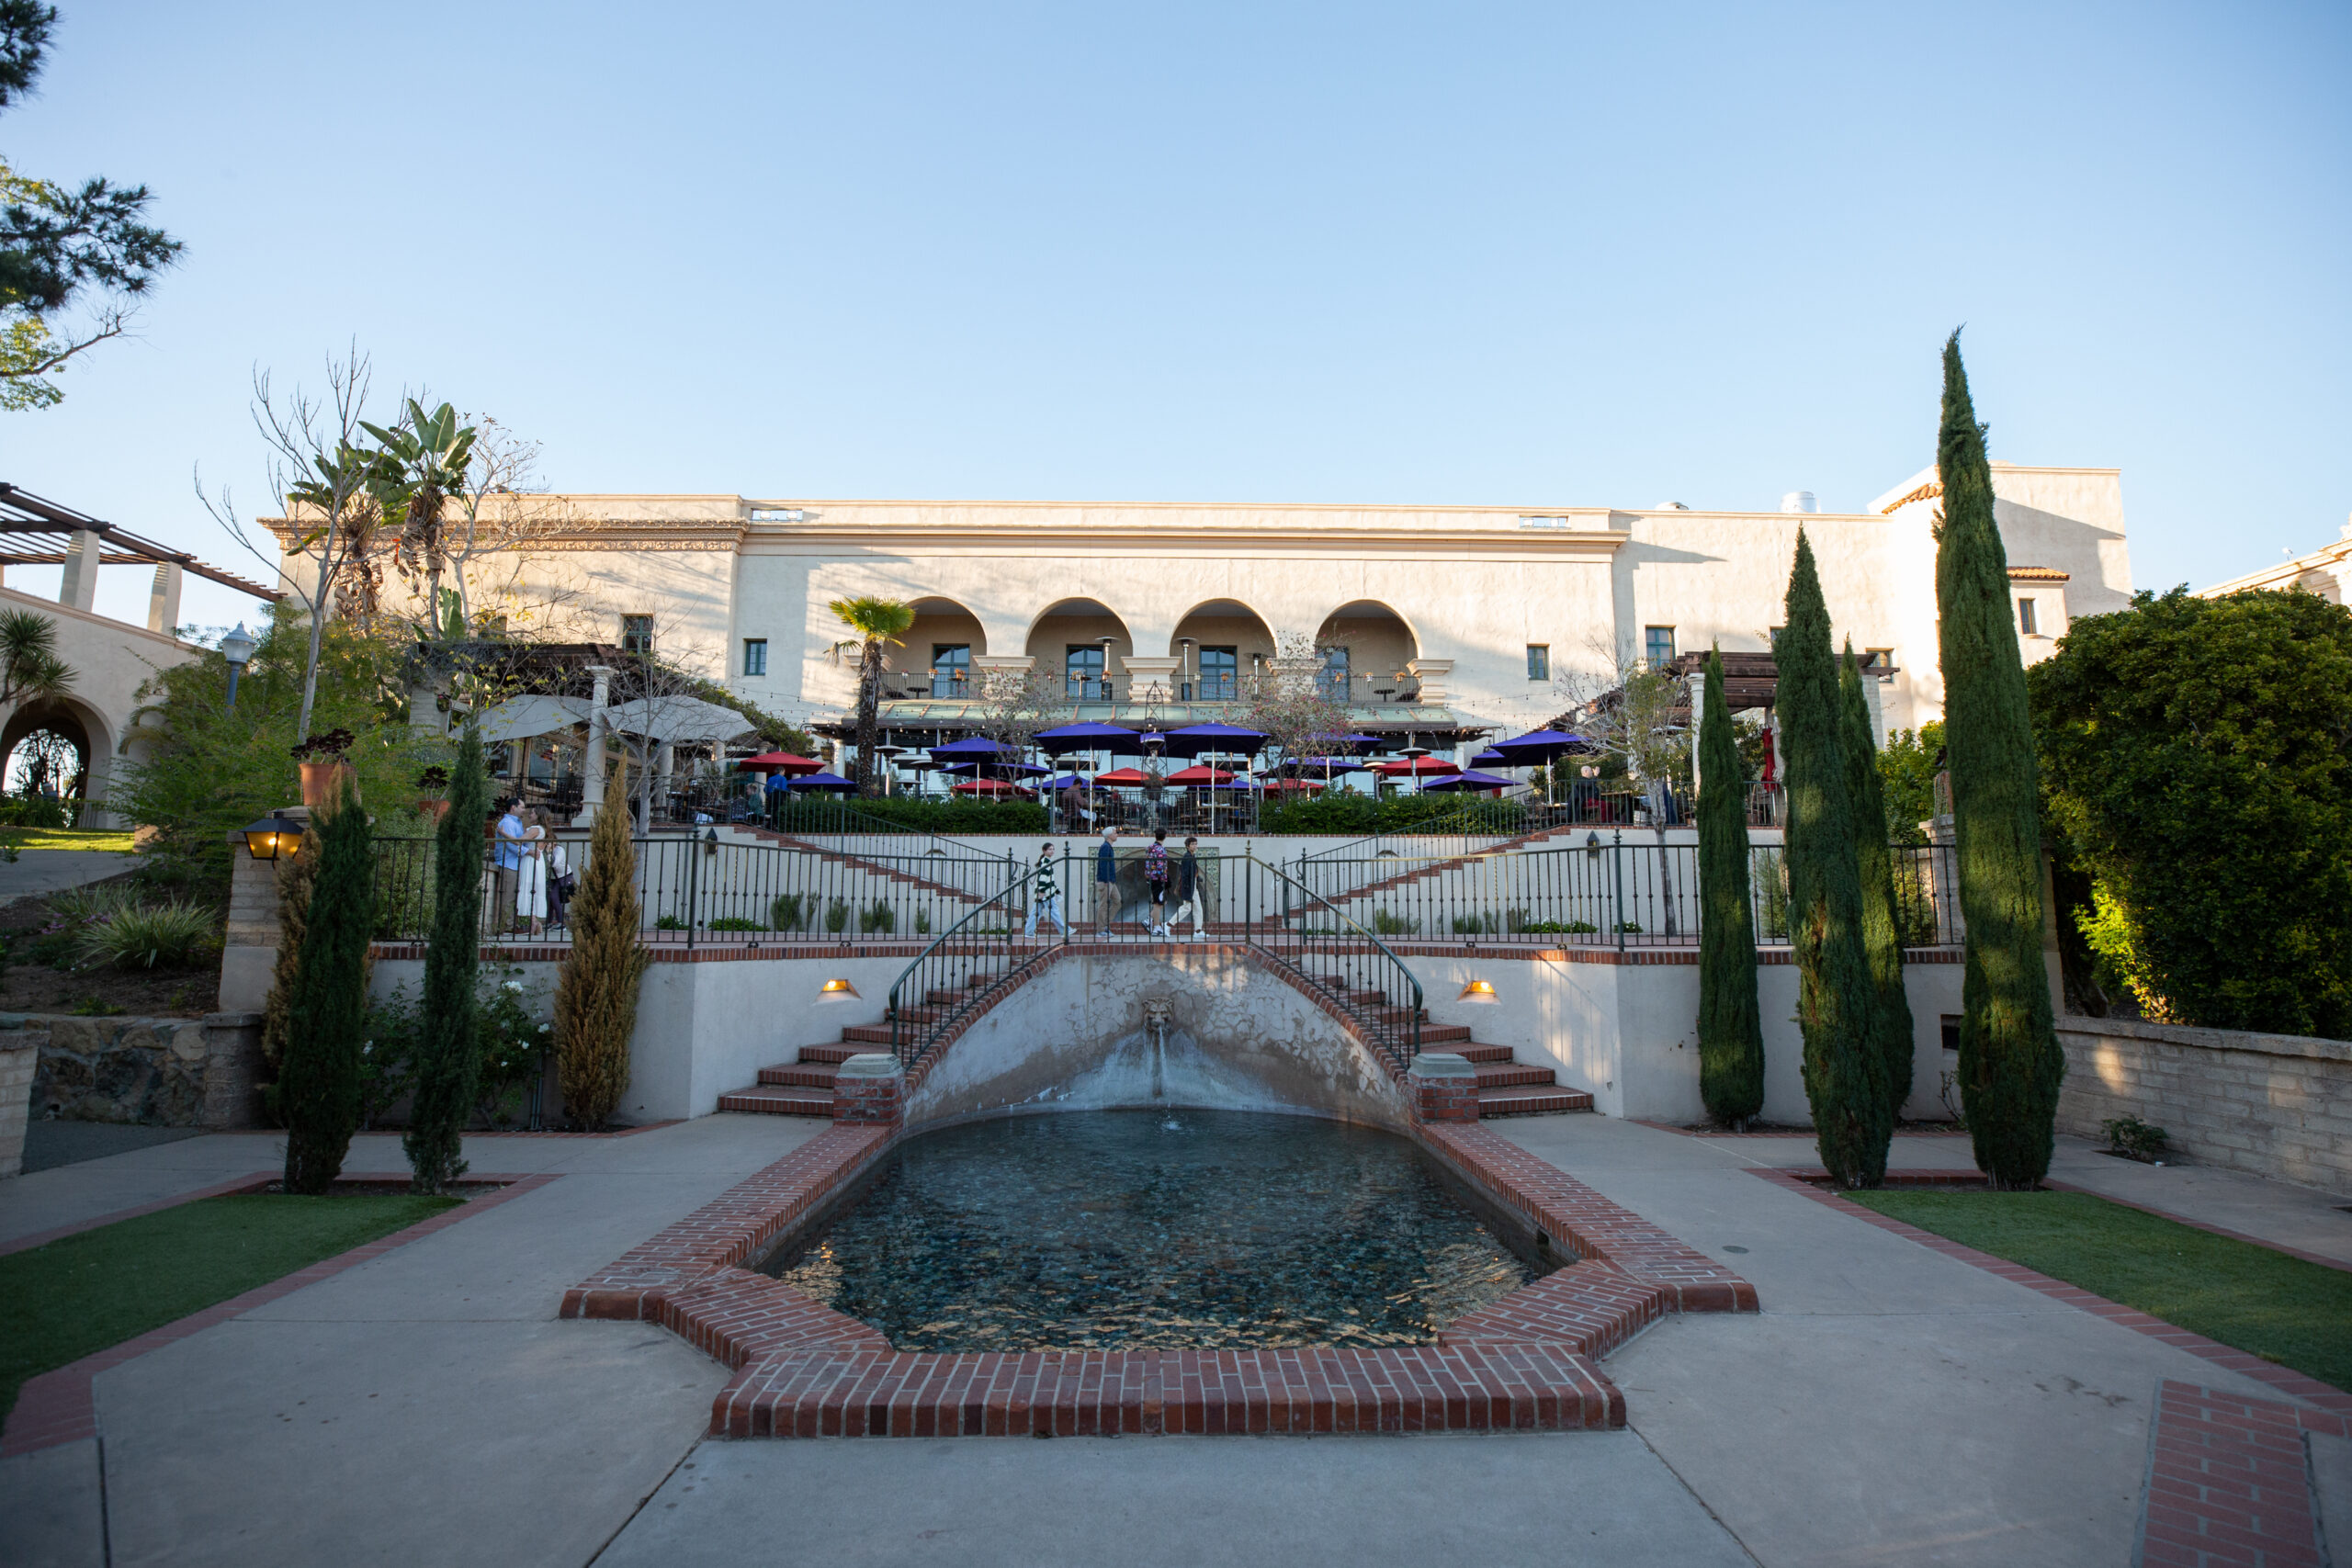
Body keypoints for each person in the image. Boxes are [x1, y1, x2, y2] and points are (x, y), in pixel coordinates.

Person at [489, 796, 529, 934]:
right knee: (507, 896)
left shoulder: (517, 823)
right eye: (522, 807)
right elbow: (512, 845)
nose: (524, 810)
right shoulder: (506, 823)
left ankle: (512, 923)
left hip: (516, 863)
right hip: (508, 863)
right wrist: (528, 852)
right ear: (513, 807)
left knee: (513, 895)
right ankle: (508, 925)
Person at [537, 807, 573, 931]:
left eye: (550, 843)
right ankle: (548, 922)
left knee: (554, 897)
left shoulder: (559, 851)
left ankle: (561, 922)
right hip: (553, 878)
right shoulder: (550, 851)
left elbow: (554, 864)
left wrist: (548, 853)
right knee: (549, 898)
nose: (548, 845)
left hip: (563, 876)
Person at [1021, 841, 1064, 937]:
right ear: (1044, 851)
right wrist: (1042, 891)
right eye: (1050, 849)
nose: (1052, 851)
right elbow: (1043, 878)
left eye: (1053, 849)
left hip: (1045, 891)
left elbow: (1049, 879)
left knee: (1035, 912)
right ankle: (1064, 931)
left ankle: (1028, 932)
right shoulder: (1046, 862)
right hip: (1046, 893)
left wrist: (1057, 890)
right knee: (1054, 912)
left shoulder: (1046, 861)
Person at [516, 814, 549, 938]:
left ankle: (534, 922)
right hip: (539, 861)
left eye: (533, 812)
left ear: (539, 815)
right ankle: (534, 921)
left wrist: (504, 833)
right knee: (533, 891)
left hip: (530, 860)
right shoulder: (543, 830)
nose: (530, 814)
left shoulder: (535, 829)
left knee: (527, 889)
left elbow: (518, 840)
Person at [1169, 835, 1206, 941]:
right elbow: (1184, 874)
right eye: (1192, 844)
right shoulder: (1187, 857)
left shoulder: (1192, 856)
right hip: (1188, 886)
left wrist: (1197, 878)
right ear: (1187, 846)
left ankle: (1198, 931)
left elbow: (1192, 871)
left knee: (1198, 908)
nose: (1195, 846)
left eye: (1195, 844)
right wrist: (1187, 889)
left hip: (1193, 885)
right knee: (1186, 908)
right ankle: (1168, 925)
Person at [1093, 826, 1121, 937]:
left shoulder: (1108, 847)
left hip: (1111, 880)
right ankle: (1100, 930)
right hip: (1106, 880)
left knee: (1117, 901)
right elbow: (1103, 864)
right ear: (1109, 835)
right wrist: (1105, 880)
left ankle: (1105, 925)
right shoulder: (1105, 847)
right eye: (1115, 833)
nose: (1117, 834)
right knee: (1103, 905)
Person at [1144, 828, 1171, 938]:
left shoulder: (1150, 849)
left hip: (1151, 877)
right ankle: (1156, 927)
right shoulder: (1161, 850)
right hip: (1158, 878)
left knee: (1159, 901)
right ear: (1165, 836)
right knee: (1158, 903)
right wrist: (1165, 879)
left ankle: (1149, 920)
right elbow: (1161, 867)